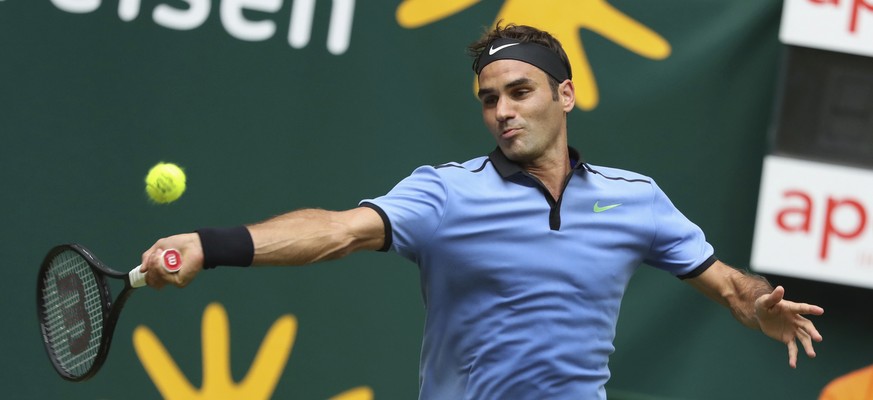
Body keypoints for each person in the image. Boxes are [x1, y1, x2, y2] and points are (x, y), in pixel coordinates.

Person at [141, 23, 825, 399]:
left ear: (565, 94)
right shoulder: (445, 193)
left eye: (518, 91)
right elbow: (336, 233)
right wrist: (211, 243)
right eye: (488, 98)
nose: (501, 111)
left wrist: (761, 306)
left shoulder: (634, 198)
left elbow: (730, 287)